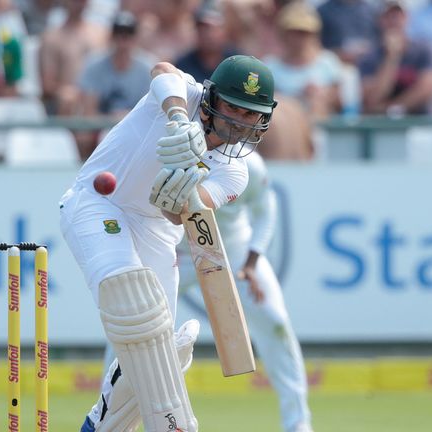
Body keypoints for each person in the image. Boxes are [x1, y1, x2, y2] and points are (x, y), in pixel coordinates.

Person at [58, 55, 277, 432]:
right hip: (97, 203)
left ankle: (99, 426)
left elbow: (184, 217)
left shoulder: (235, 170)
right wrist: (177, 119)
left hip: (158, 230)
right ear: (210, 99)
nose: (241, 122)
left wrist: (179, 200)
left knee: (159, 350)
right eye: (232, 108)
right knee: (135, 307)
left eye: (251, 114)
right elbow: (161, 69)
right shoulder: (184, 95)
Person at [177, 150, 313, 432]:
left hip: (235, 251)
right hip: (179, 254)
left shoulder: (249, 164)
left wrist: (252, 263)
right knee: (137, 326)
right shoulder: (175, 154)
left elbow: (266, 212)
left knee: (275, 322)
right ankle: (110, 414)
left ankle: (298, 422)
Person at [76, 10, 156, 159]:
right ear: (111, 37)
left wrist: (127, 118)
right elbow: (89, 112)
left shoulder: (148, 68)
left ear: (135, 38)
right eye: (118, 34)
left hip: (137, 128)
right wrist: (111, 119)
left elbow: (151, 112)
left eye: (128, 35)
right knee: (84, 134)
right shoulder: (95, 64)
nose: (123, 41)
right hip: (100, 129)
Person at [359, 0, 432, 116]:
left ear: (407, 18)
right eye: (388, 16)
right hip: (381, 124)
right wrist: (391, 57)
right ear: (379, 20)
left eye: (398, 16)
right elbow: (373, 98)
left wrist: (392, 109)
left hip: (419, 121)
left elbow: (427, 88)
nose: (394, 21)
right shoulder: (369, 57)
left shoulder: (424, 50)